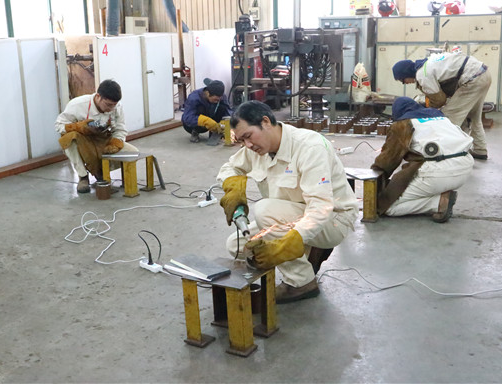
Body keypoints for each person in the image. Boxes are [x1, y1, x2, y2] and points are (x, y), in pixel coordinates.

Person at [217, 101, 359, 304]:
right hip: (289, 217)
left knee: (264, 210)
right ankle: (306, 253)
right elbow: (230, 167)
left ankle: (301, 282)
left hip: (333, 220)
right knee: (237, 246)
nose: (247, 145)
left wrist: (289, 243)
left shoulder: (310, 146)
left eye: (248, 136)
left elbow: (321, 207)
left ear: (265, 122)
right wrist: (233, 188)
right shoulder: (256, 149)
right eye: (242, 140)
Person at [371, 97, 475, 222]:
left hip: (437, 173)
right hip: (465, 168)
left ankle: (438, 202)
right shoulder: (441, 117)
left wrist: (374, 175)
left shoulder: (403, 124)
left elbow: (389, 158)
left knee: (386, 206)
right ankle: (438, 193)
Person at [392, 52, 491, 160]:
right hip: (482, 73)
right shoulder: (426, 64)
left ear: (406, 73)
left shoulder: (422, 74)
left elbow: (439, 100)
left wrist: (425, 110)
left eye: (402, 80)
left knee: (448, 119)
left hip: (472, 79)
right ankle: (479, 150)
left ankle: (449, 152)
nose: (404, 83)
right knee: (474, 117)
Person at [55, 79, 138, 193]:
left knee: (133, 153)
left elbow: (120, 129)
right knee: (68, 139)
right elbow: (59, 125)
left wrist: (115, 143)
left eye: (114, 105)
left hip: (104, 140)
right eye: (108, 105)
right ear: (98, 96)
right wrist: (78, 127)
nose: (111, 108)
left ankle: (102, 173)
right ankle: (83, 177)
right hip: (84, 142)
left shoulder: (117, 107)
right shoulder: (77, 105)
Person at [181, 78, 232, 143]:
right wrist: (205, 121)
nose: (217, 101)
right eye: (215, 99)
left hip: (211, 120)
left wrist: (225, 121)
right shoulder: (194, 98)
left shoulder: (221, 96)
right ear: (207, 93)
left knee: (222, 107)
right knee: (200, 108)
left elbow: (228, 111)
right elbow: (187, 118)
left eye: (218, 99)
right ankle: (195, 131)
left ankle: (215, 132)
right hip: (194, 126)